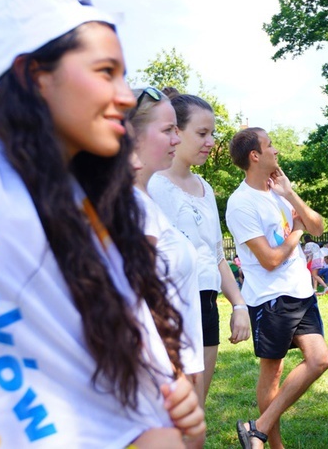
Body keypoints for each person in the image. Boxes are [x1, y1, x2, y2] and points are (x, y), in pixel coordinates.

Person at [0, 0, 203, 447]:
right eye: (106, 71)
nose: (125, 97)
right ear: (35, 76)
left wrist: (171, 414)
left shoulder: (79, 204)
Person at [226, 127, 328, 449]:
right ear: (254, 156)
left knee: (320, 359)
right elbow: (271, 259)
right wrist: (297, 233)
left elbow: (317, 225)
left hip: (302, 292)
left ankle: (257, 428)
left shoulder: (279, 191)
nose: (277, 151)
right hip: (271, 299)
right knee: (272, 373)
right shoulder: (241, 204)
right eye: (270, 146)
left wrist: (289, 195)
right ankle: (273, 444)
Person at [147, 89, 251, 418]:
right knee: (168, 414)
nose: (210, 142)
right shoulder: (150, 186)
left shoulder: (206, 190)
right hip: (169, 308)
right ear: (175, 132)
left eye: (212, 134)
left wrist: (238, 304)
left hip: (205, 305)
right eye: (202, 133)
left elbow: (216, 255)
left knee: (195, 412)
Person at [126, 87, 208, 447]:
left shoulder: (146, 201)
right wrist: (173, 374)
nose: (178, 139)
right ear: (131, 135)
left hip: (178, 367)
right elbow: (136, 299)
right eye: (168, 130)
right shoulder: (133, 207)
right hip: (162, 376)